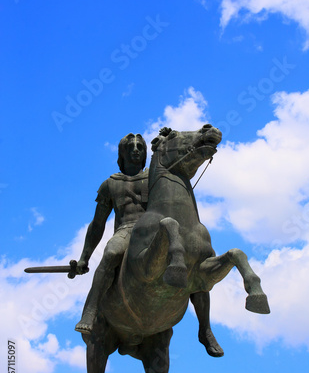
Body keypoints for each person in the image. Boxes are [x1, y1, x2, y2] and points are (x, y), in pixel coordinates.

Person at [75, 132, 223, 357]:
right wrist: (85, 257)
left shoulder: (154, 176)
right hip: (127, 231)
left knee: (193, 264)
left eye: (139, 146)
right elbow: (97, 225)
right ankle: (91, 310)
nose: (136, 149)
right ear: (122, 153)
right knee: (112, 252)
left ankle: (205, 328)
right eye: (130, 146)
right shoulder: (110, 184)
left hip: (155, 228)